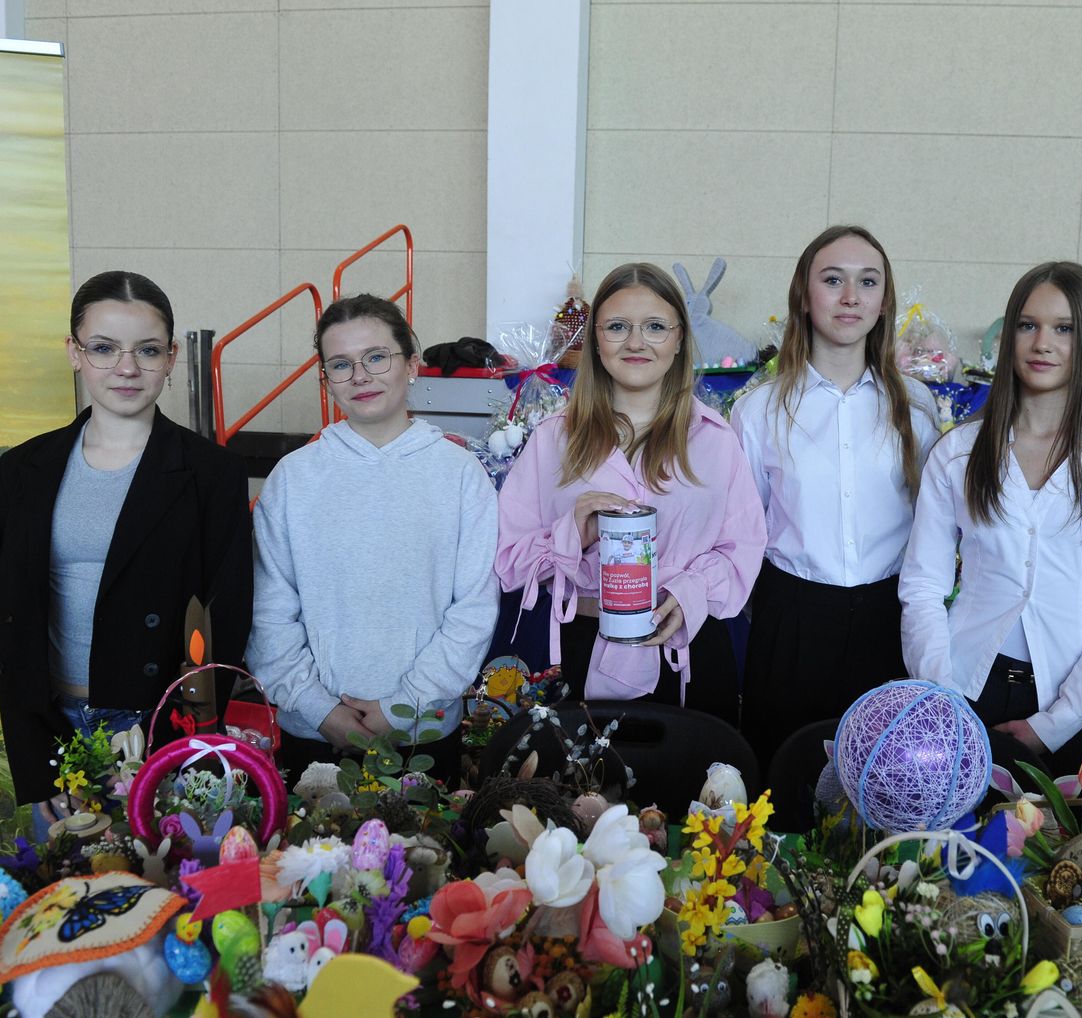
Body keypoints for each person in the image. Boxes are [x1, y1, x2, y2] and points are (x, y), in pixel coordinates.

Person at [0, 270, 253, 818]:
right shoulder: (22, 469)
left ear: (172, 357)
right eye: (104, 348)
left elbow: (227, 618)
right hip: (52, 723)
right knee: (61, 868)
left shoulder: (213, 473)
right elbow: (12, 620)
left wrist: (175, 744)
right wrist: (36, 758)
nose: (127, 368)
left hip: (158, 723)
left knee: (161, 868)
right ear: (74, 352)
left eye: (148, 350)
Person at [900, 261, 1082, 776]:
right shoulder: (960, 451)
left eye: (1064, 329)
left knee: (1061, 832)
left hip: (1072, 701)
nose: (1042, 343)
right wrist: (943, 698)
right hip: (965, 691)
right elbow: (923, 587)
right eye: (1028, 325)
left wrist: (1055, 724)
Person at [496, 263, 766, 723]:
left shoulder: (715, 439)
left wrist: (693, 589)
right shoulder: (553, 439)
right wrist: (571, 535)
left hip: (687, 650)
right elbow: (508, 560)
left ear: (679, 340)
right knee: (577, 771)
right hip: (579, 648)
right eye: (618, 327)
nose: (636, 342)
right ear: (595, 340)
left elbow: (742, 550)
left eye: (655, 327)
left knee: (692, 770)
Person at [247, 294, 498, 786]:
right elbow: (268, 612)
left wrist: (404, 705)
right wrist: (319, 708)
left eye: (376, 357)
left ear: (412, 365)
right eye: (341, 364)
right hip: (316, 731)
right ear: (326, 379)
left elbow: (473, 610)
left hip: (424, 733)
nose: (360, 376)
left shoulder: (461, 475)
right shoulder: (293, 478)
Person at [729, 225, 939, 764]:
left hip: (889, 620)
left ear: (884, 301)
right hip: (791, 621)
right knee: (783, 778)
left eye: (867, 282)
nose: (851, 297)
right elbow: (743, 534)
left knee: (885, 782)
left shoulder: (917, 407)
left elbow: (933, 526)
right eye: (832, 280)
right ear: (803, 295)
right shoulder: (758, 411)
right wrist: (779, 611)